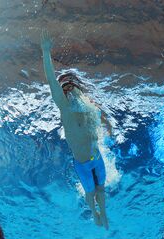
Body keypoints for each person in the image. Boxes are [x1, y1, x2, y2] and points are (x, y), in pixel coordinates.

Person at [40, 30, 112, 229]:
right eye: (65, 89)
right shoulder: (66, 110)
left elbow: (101, 120)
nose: (69, 90)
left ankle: (103, 214)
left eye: (72, 87)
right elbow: (53, 83)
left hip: (97, 158)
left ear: (80, 89)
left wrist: (109, 129)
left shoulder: (88, 108)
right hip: (82, 164)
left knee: (101, 189)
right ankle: (95, 213)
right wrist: (46, 52)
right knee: (91, 193)